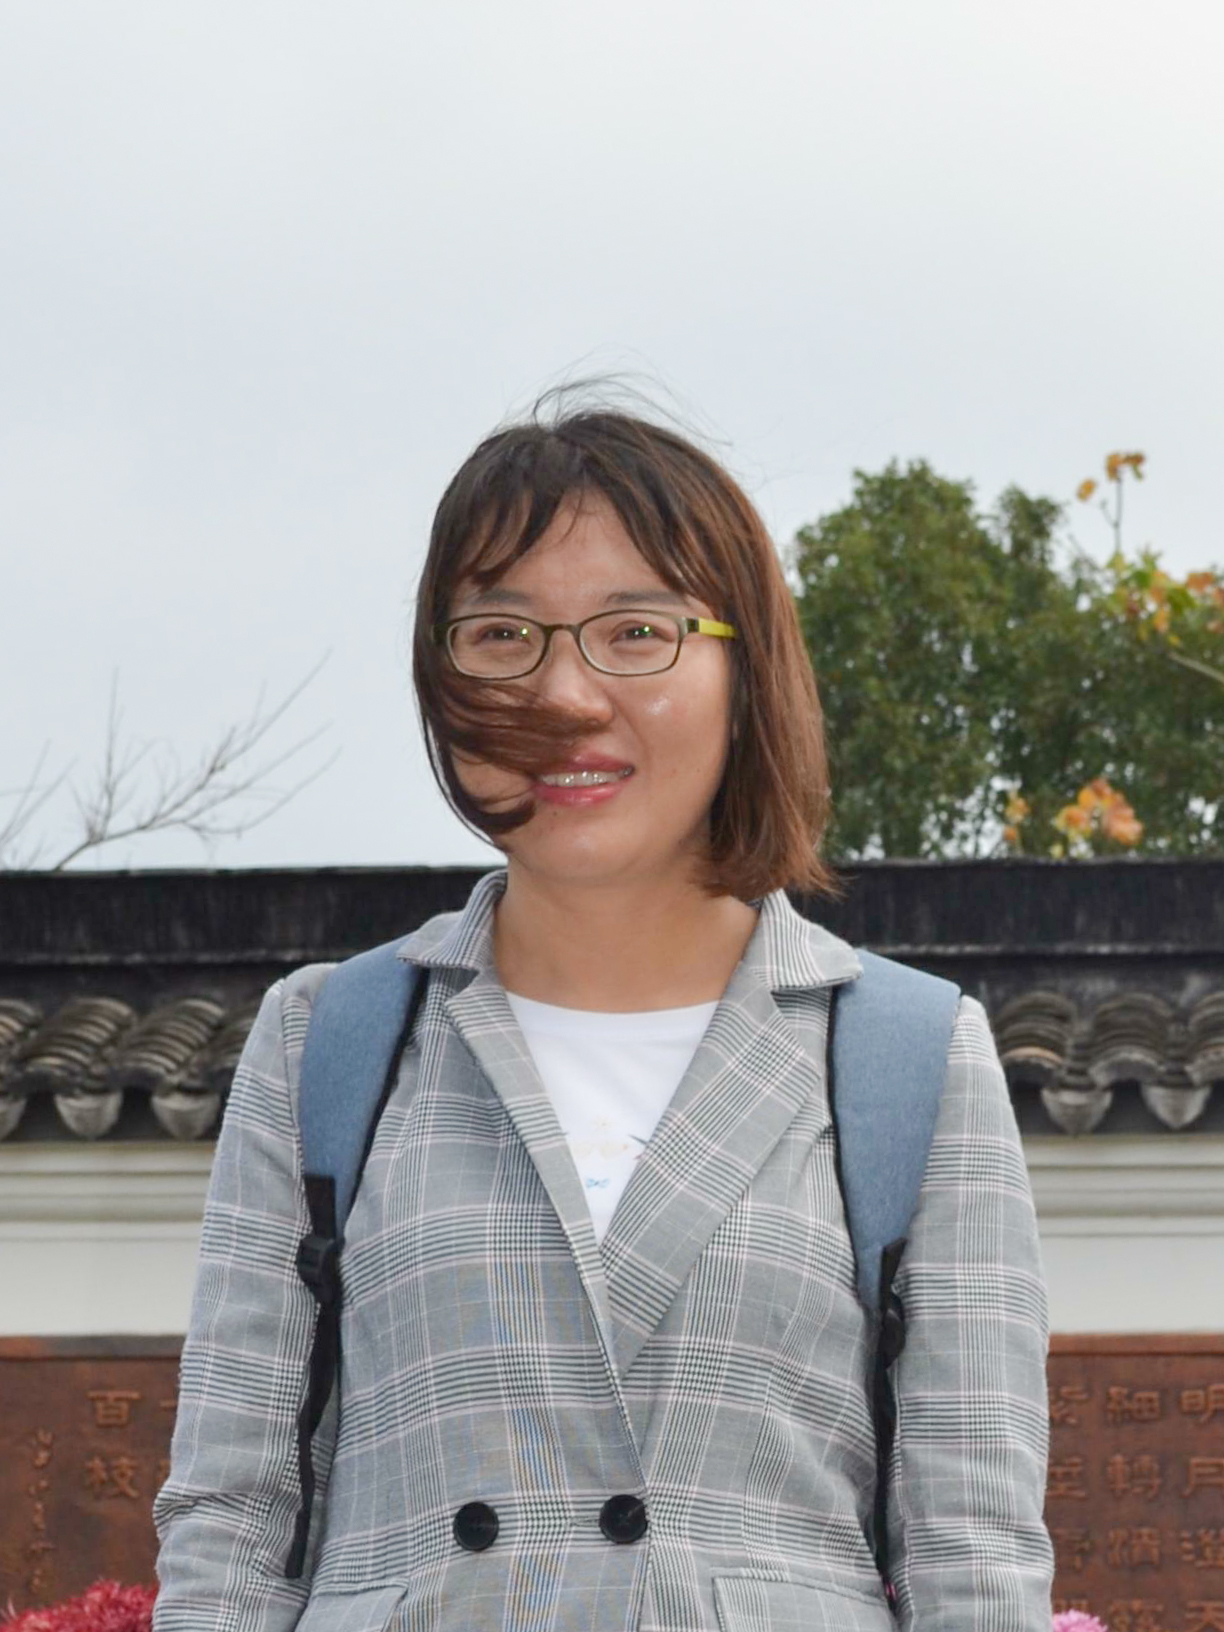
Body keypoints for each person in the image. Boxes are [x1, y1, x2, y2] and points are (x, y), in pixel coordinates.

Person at [152, 406, 1054, 1632]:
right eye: (502, 635)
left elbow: (975, 1560)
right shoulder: (329, 1042)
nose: (566, 695)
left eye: (638, 631)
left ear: (745, 670)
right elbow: (232, 1528)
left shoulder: (905, 1056)